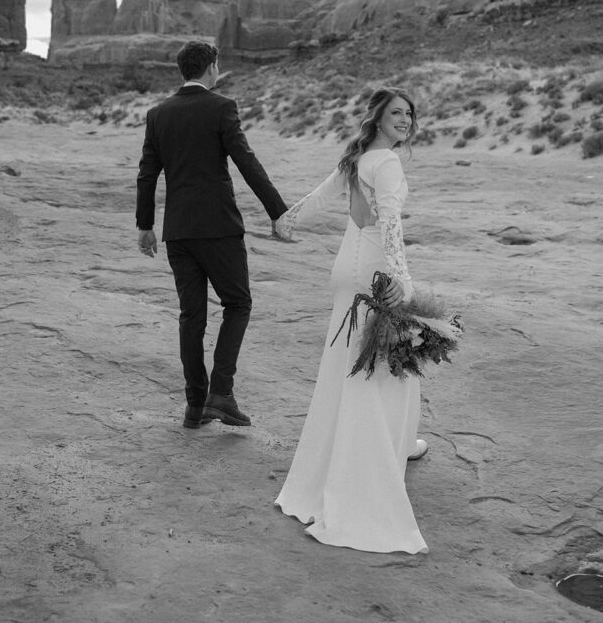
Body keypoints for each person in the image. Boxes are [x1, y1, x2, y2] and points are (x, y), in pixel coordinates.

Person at [273, 87, 429, 554]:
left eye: (409, 114)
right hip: (377, 272)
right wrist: (403, 278)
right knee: (387, 366)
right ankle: (375, 460)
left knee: (349, 364)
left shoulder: (358, 157)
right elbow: (389, 219)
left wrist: (288, 219)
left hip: (347, 269)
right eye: (396, 113)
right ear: (378, 117)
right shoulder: (387, 163)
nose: (404, 120)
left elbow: (321, 197)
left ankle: (391, 447)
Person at [136, 40, 288, 430]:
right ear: (212, 67)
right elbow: (246, 162)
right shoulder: (221, 106)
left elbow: (147, 173)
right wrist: (279, 212)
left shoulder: (158, 114)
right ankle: (221, 393)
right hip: (218, 227)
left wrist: (146, 226)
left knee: (192, 315)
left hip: (178, 231)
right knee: (237, 304)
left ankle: (194, 405)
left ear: (182, 70)